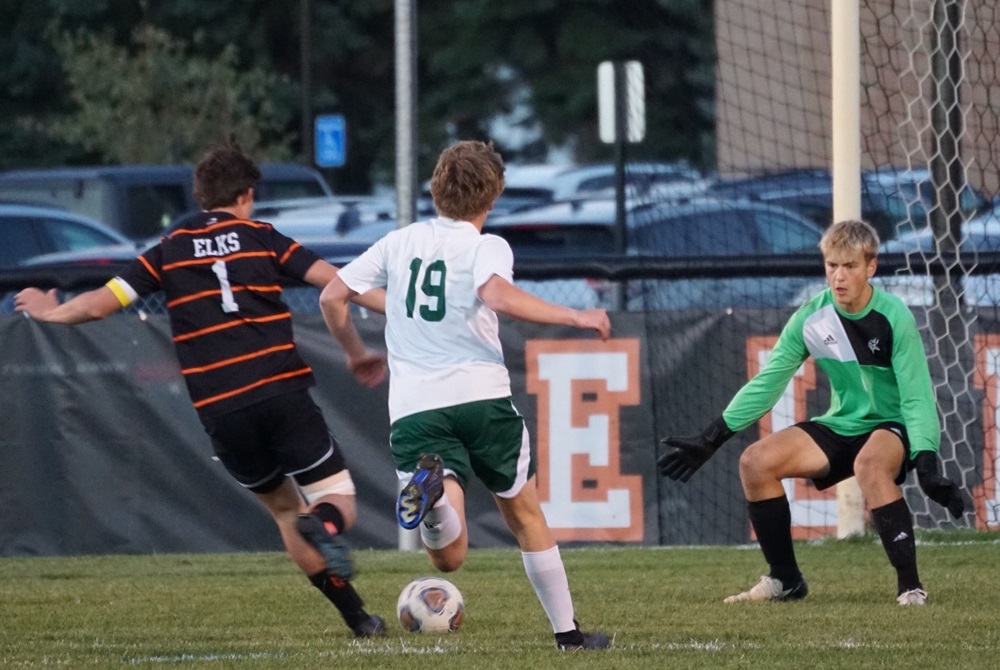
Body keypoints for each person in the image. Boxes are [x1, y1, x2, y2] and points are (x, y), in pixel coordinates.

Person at [15, 141, 389, 637]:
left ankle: (359, 619)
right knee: (336, 496)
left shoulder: (167, 251)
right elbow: (339, 284)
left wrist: (49, 311)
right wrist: (404, 312)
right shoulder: (263, 237)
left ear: (200, 195)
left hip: (220, 408)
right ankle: (325, 524)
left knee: (283, 510)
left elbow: (99, 305)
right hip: (279, 389)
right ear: (247, 194)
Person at [319, 140, 612, 650]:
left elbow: (332, 295)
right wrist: (576, 315)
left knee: (446, 554)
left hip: (415, 409)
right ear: (492, 198)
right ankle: (568, 635)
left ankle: (432, 497)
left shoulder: (399, 241)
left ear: (435, 190)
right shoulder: (487, 245)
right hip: (481, 398)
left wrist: (354, 352)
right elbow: (494, 294)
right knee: (523, 514)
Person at [658, 218, 965, 606]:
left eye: (849, 266)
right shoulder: (811, 317)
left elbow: (917, 397)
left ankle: (910, 586)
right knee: (755, 462)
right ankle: (785, 579)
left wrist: (926, 462)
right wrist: (711, 437)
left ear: (871, 267)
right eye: (831, 265)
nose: (838, 276)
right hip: (841, 423)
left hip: (891, 425)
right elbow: (768, 381)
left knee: (869, 465)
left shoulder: (894, 317)